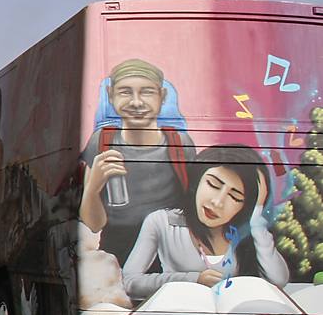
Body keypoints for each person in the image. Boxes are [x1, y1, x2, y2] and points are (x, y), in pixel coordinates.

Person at [122, 145, 289, 302]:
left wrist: (257, 222)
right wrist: (193, 280)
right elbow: (130, 282)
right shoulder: (162, 222)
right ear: (197, 181)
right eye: (213, 184)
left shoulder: (245, 233)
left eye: (236, 197)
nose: (218, 202)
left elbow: (279, 280)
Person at [79, 59, 196, 266]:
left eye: (147, 92)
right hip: (116, 253)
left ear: (162, 96)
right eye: (125, 92)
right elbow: (93, 224)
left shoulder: (180, 143)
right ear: (110, 95)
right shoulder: (102, 141)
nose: (136, 102)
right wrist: (93, 188)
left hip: (170, 255)